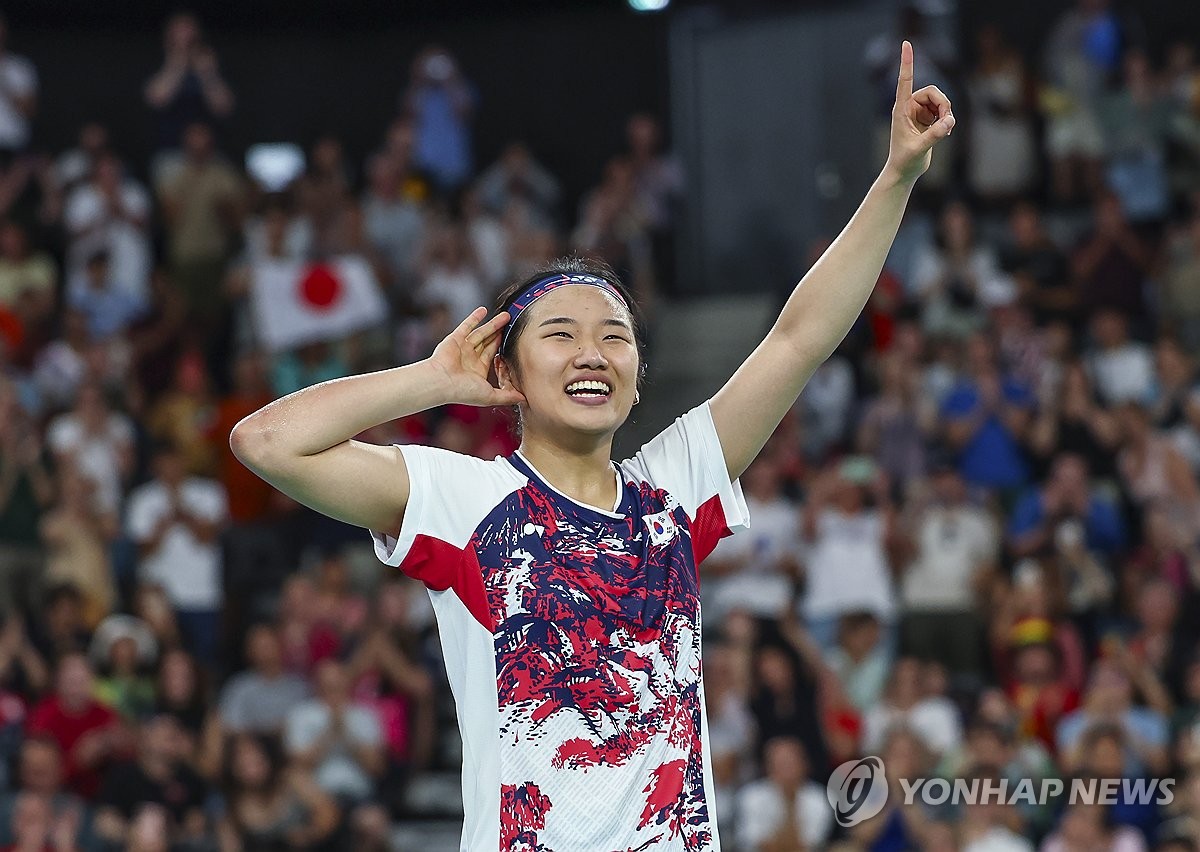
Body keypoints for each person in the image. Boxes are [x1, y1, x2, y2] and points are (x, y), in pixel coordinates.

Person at [231, 42, 954, 850]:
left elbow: (797, 340)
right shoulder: (467, 502)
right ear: (506, 368)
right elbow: (267, 442)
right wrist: (432, 380)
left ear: (639, 375)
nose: (591, 353)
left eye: (615, 337)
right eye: (562, 335)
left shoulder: (674, 489)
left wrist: (894, 180)